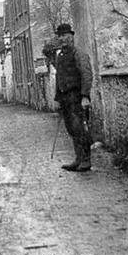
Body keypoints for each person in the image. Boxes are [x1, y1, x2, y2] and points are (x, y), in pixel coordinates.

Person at [50, 23, 94, 172]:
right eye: (60, 36)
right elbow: (59, 78)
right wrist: (57, 98)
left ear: (71, 36)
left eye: (64, 35)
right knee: (71, 129)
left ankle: (86, 160)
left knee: (81, 128)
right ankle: (78, 159)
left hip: (77, 97)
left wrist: (85, 96)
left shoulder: (79, 54)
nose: (62, 38)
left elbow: (86, 75)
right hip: (65, 99)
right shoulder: (60, 56)